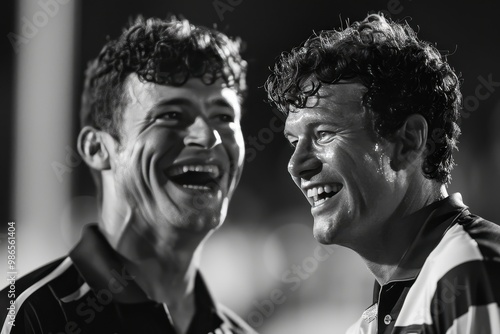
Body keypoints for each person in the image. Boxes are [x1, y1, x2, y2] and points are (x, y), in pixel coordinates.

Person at [1, 16, 256, 334]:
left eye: (223, 116)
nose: (208, 137)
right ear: (97, 149)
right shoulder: (30, 317)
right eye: (171, 115)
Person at [265, 13, 500, 333]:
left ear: (407, 141)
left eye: (323, 133)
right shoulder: (377, 319)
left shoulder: (472, 270)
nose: (296, 165)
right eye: (294, 141)